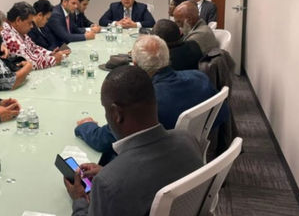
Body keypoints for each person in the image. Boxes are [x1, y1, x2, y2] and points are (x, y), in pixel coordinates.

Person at [63, 65, 203, 216]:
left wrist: (79, 201)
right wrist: (108, 171)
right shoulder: (188, 140)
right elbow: (151, 179)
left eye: (105, 110)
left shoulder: (109, 184)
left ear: (116, 114)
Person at [75, 35, 225, 164]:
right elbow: (223, 113)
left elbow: (103, 140)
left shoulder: (144, 101)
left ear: (135, 65)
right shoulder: (200, 77)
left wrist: (85, 126)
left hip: (153, 163)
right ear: (167, 57)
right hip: (194, 154)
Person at [1, 2, 67, 70]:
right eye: (29, 23)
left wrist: (50, 54)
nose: (32, 26)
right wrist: (54, 59)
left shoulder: (19, 30)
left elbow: (34, 48)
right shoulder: (8, 35)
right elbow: (28, 61)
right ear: (18, 20)